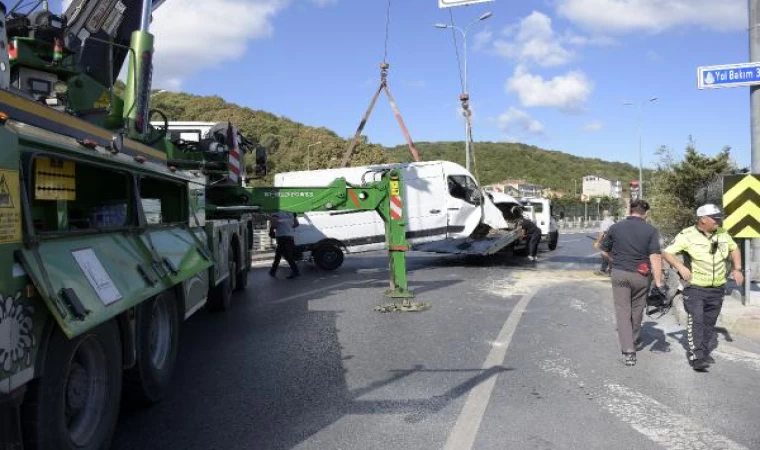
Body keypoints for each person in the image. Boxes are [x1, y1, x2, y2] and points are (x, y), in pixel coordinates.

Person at [662, 204, 743, 372]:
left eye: (720, 217)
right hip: (695, 287)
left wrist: (737, 268)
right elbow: (667, 252)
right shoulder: (687, 235)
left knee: (709, 323)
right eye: (715, 218)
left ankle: (704, 352)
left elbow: (734, 249)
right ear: (703, 220)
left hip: (717, 287)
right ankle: (697, 356)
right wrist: (680, 267)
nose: (719, 221)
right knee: (697, 320)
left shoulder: (722, 233)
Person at [599, 199, 664, 366]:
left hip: (620, 274)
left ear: (630, 210)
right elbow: (655, 257)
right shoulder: (651, 230)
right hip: (641, 276)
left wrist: (615, 261)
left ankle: (628, 351)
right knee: (637, 310)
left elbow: (604, 251)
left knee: (622, 311)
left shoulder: (616, 227)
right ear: (646, 213)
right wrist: (658, 282)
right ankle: (634, 339)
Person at [269, 210, 300, 279]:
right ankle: (272, 271)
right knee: (278, 255)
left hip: (282, 236)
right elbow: (296, 224)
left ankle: (295, 271)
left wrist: (271, 230)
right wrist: (288, 227)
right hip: (290, 236)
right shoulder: (291, 212)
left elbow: (274, 224)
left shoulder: (276, 212)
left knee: (287, 255)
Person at [594, 210, 615, 276]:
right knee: (608, 255)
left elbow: (602, 233)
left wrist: (597, 242)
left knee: (604, 254)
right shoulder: (612, 221)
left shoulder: (605, 222)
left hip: (608, 240)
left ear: (603, 215)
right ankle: (604, 269)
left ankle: (609, 269)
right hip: (613, 240)